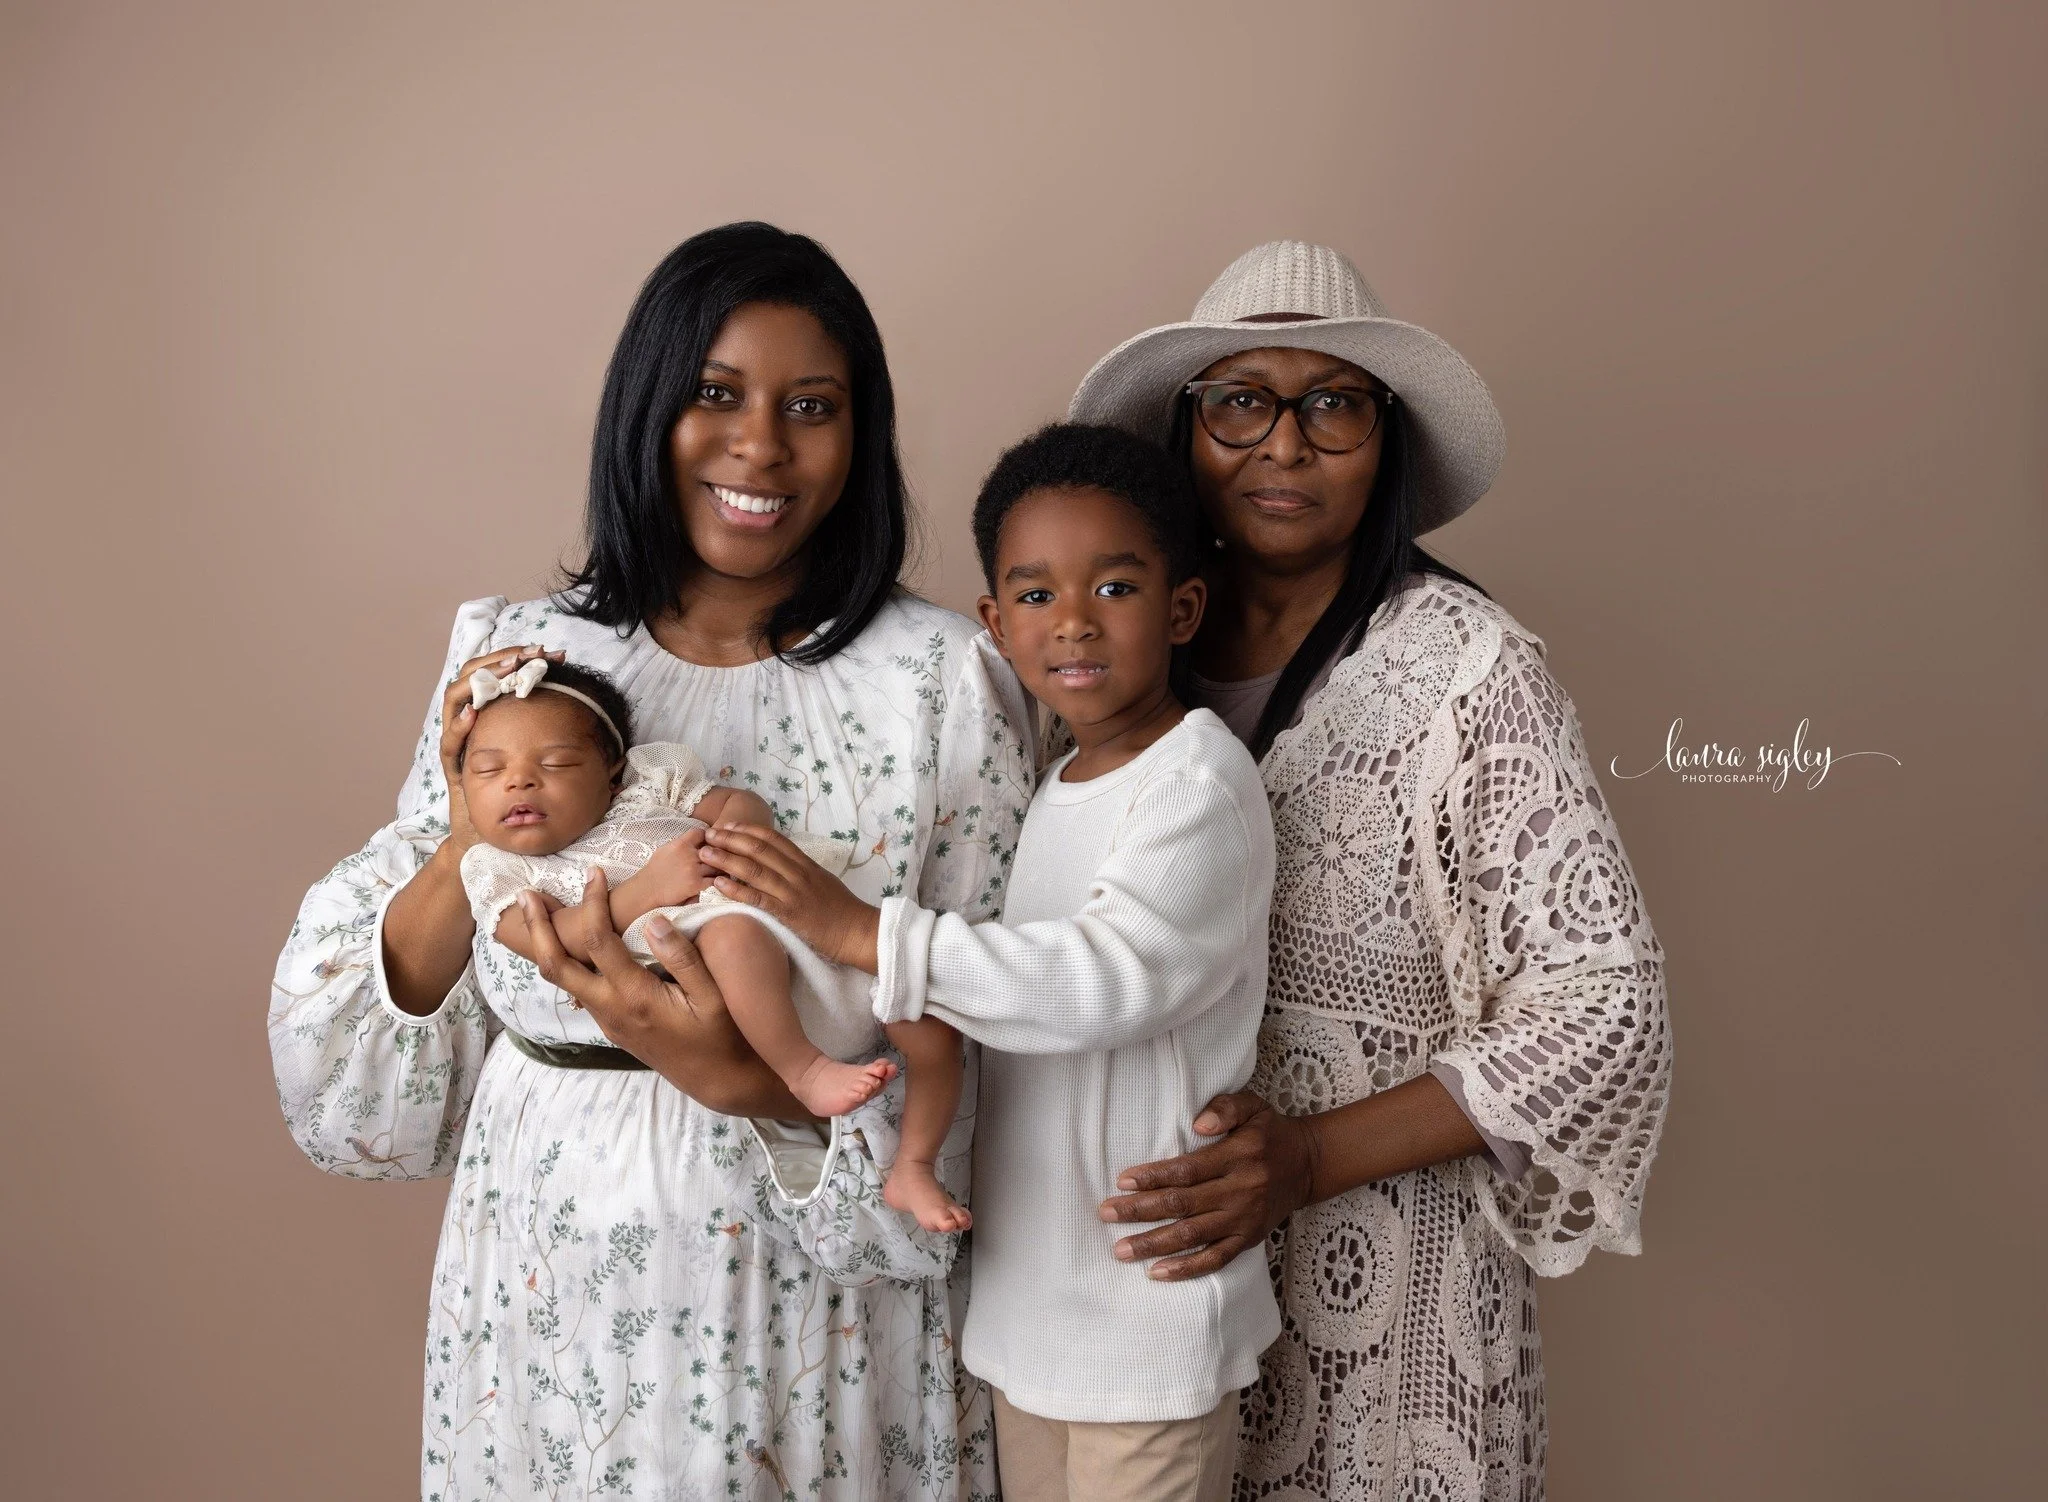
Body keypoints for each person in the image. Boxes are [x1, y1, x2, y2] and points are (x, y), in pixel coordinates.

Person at [268, 222, 1033, 1500]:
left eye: (810, 406)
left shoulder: (940, 682)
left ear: (861, 435)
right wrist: (467, 822)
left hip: (811, 1296)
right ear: (645, 406)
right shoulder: (519, 657)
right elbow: (378, 1069)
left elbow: (993, 1023)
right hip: (547, 1263)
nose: (760, 446)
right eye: (714, 394)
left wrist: (752, 1085)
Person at [1070, 241, 1674, 1499]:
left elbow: (1603, 1009)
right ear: (1185, 432)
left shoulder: (1464, 672)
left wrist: (1303, 1157)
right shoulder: (1111, 649)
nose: (1283, 446)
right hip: (1138, 1310)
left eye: (1332, 404)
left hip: (1388, 1312)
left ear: (1384, 439)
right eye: (1240, 400)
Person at [699, 423, 1281, 1502]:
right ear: (996, 625)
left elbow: (1102, 981)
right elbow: (1001, 1004)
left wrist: (862, 932)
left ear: (1182, 608)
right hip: (1032, 1318)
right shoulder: (1054, 785)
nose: (1074, 620)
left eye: (1115, 587)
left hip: (1149, 1317)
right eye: (1036, 594)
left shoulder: (1197, 778)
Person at [456, 655, 972, 1230]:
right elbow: (552, 941)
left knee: (928, 1013)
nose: (519, 781)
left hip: (801, 930)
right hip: (718, 957)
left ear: (613, 773)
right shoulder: (495, 868)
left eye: (556, 763)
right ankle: (804, 1071)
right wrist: (648, 890)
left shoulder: (649, 786)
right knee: (734, 934)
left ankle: (915, 1165)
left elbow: (732, 802)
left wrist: (739, 829)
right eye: (487, 769)